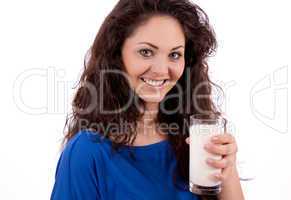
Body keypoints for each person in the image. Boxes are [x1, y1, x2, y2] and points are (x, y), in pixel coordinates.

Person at [50, 0, 244, 199]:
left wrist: (228, 172)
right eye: (146, 52)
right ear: (117, 54)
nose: (161, 70)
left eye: (175, 54)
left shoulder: (194, 138)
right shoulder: (87, 152)